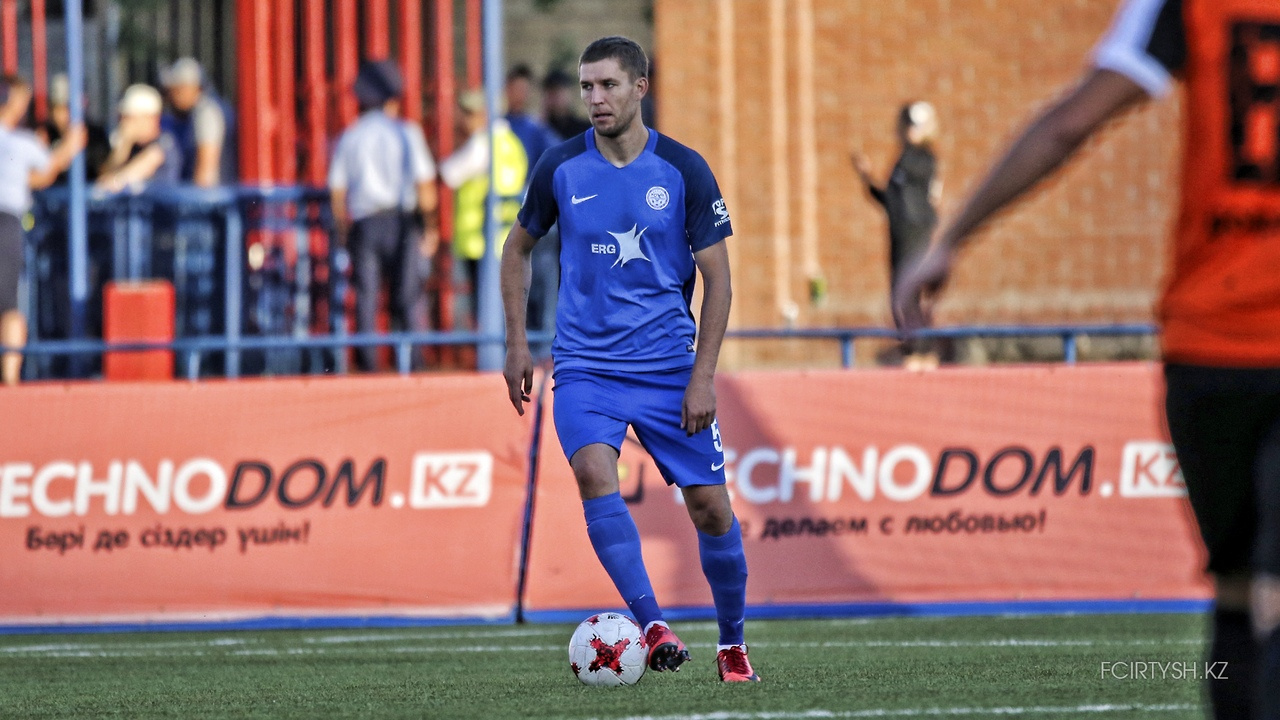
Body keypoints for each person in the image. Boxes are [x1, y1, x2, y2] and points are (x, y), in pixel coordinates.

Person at [892, 1, 1280, 717]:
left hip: (1211, 343)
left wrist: (953, 239)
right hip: (1220, 336)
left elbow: (1070, 123)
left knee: (1232, 593)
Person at [501, 36, 758, 683]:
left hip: (669, 369)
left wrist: (702, 378)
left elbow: (720, 281)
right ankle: (653, 625)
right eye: (587, 86)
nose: (595, 98)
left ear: (640, 88)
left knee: (711, 510)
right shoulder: (560, 167)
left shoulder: (683, 169)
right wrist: (516, 343)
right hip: (585, 366)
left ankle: (732, 645)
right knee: (594, 472)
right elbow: (516, 248)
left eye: (608, 85)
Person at [329, 60, 439, 372]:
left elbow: (337, 191)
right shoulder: (406, 132)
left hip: (365, 223)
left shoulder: (351, 136)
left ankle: (369, 367)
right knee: (407, 296)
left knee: (366, 297)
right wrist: (431, 227)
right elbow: (425, 184)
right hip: (402, 221)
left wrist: (342, 231)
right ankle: (412, 365)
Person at [0, 74, 85, 385]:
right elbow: (46, 172)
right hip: (5, 221)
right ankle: (9, 377)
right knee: (8, 303)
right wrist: (70, 146)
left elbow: (29, 178)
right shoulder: (20, 141)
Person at [854, 101, 942, 370]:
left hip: (914, 231)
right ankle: (915, 348)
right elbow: (891, 201)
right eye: (909, 124)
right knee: (902, 292)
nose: (910, 130)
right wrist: (867, 178)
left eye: (917, 125)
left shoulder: (921, 158)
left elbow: (908, 201)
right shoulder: (908, 158)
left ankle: (921, 350)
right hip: (903, 229)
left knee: (907, 291)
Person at [438, 89, 527, 329]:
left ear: (483, 114)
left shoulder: (481, 143)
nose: (462, 119)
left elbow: (448, 173)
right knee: (502, 306)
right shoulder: (512, 143)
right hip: (507, 236)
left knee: (484, 307)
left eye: (469, 113)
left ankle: (490, 349)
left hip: (478, 239)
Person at [97, 84, 182, 191]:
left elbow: (119, 181)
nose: (123, 123)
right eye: (121, 117)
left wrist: (113, 181)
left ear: (150, 118)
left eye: (129, 117)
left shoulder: (164, 143)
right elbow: (104, 178)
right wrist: (123, 145)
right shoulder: (131, 147)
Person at [160, 58, 229, 187]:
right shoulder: (208, 108)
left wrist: (198, 197)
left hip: (214, 196)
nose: (171, 97)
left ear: (190, 88)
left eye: (175, 90)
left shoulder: (206, 113)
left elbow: (206, 171)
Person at [505, 64, 557, 168]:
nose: (520, 94)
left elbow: (556, 151)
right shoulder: (497, 124)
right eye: (516, 88)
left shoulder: (535, 128)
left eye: (523, 89)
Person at [542, 68, 591, 140]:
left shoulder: (584, 129)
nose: (556, 98)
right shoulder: (541, 129)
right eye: (551, 93)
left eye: (559, 92)